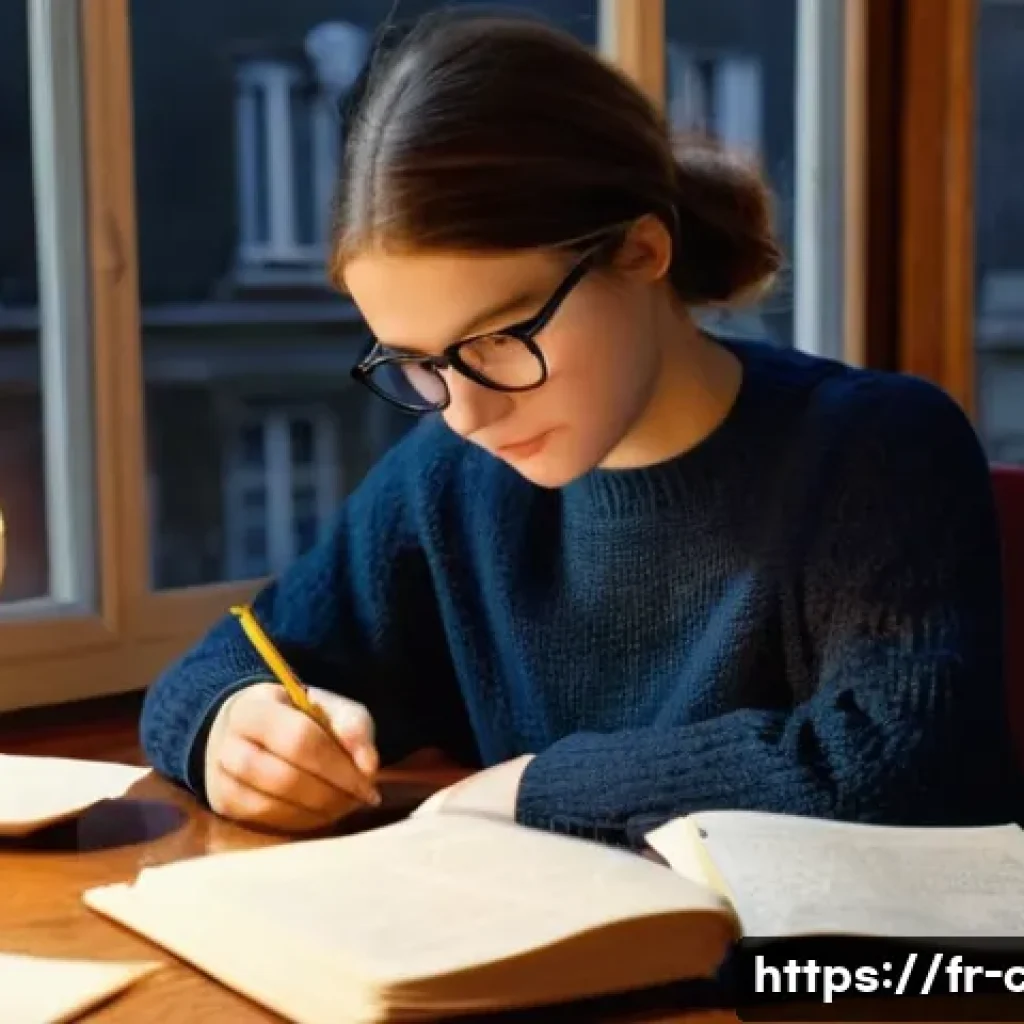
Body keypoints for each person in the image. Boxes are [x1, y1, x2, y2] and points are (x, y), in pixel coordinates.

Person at [140, 11, 1023, 850]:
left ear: (642, 252)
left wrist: (533, 790)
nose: (467, 411)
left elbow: (902, 773)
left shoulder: (878, 451)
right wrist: (234, 728)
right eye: (417, 362)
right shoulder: (445, 482)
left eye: (499, 338)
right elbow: (224, 666)